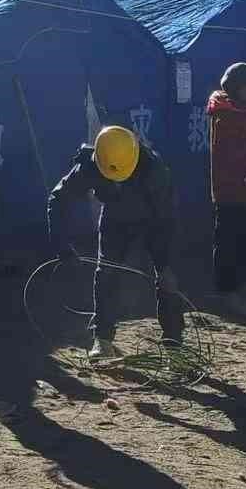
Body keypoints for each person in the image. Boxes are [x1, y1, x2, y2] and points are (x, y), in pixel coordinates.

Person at [49, 125, 182, 359]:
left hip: (154, 220)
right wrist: (61, 245)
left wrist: (163, 264)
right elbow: (58, 199)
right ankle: (102, 339)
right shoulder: (92, 164)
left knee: (166, 278)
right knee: (106, 272)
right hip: (115, 219)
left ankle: (174, 344)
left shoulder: (155, 170)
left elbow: (165, 218)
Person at [207, 62, 246, 309]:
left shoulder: (234, 111)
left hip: (237, 189)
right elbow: (238, 157)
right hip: (236, 190)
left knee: (236, 240)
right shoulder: (231, 116)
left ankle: (233, 290)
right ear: (240, 87)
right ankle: (228, 293)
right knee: (232, 242)